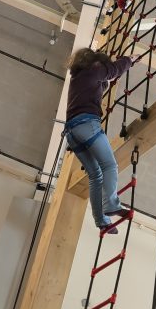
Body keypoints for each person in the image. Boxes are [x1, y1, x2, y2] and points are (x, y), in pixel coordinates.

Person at [64, 47, 134, 234]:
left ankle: (102, 221)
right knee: (109, 165)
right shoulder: (95, 68)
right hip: (87, 125)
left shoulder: (78, 77)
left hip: (72, 132)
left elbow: (103, 83)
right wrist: (129, 60)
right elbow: (113, 70)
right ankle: (110, 204)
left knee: (96, 175)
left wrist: (110, 77)